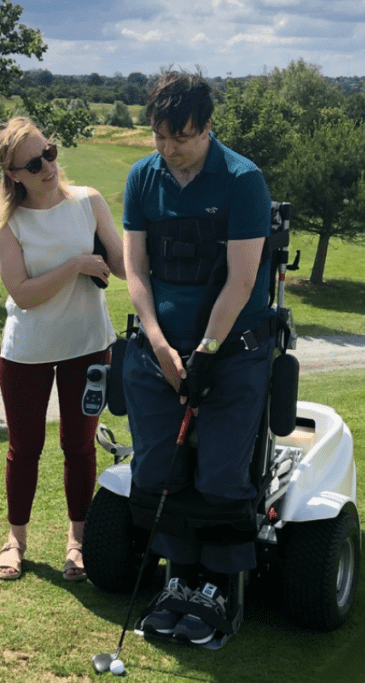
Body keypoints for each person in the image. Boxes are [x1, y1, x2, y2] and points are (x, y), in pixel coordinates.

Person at [122, 72, 275, 643]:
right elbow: (136, 271)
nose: (168, 149)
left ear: (207, 127)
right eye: (159, 136)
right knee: (158, 469)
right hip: (158, 350)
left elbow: (241, 280)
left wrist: (206, 353)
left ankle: (217, 588)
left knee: (219, 472)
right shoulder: (143, 177)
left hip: (231, 352)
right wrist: (159, 344)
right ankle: (179, 580)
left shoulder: (242, 180)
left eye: (180, 137)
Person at [0, 117, 125, 582]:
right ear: (14, 175)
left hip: (87, 346)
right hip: (26, 352)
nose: (47, 165)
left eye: (50, 152)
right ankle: (15, 541)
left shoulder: (89, 202)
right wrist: (78, 264)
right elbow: (22, 293)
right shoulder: (6, 221)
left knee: (79, 446)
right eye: (33, 162)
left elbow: (124, 264)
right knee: (25, 448)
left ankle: (78, 542)